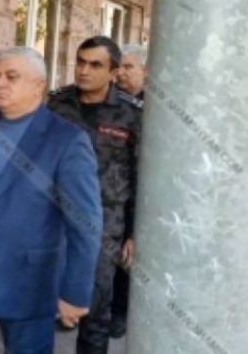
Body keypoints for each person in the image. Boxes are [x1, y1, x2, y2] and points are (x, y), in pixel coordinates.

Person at [0, 46, 102, 353]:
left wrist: (75, 291)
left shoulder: (66, 140)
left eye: (11, 77)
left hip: (28, 279)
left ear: (38, 86)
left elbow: (84, 222)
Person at [48, 36, 142, 354]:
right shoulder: (57, 104)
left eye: (95, 65)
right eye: (80, 62)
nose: (84, 70)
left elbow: (140, 175)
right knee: (44, 296)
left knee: (97, 306)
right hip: (55, 212)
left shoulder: (131, 114)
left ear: (113, 72)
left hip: (105, 220)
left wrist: (134, 233)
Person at [111, 42, 148, 337]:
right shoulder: (111, 103)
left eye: (128, 67)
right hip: (111, 189)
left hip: (140, 193)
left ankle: (121, 312)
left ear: (145, 70)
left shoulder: (154, 109)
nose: (120, 73)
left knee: (127, 255)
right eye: (118, 67)